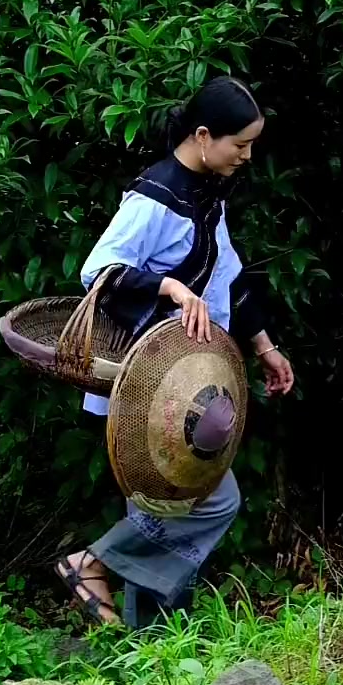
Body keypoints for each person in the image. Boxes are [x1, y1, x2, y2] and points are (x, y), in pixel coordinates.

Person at [54, 75, 294, 630]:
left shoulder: (207, 195)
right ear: (204, 136)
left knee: (188, 501)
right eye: (240, 144)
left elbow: (228, 279)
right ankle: (100, 576)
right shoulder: (155, 197)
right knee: (185, 500)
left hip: (188, 382)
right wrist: (169, 287)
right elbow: (98, 272)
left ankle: (148, 634)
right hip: (145, 381)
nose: (247, 156)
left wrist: (265, 346)